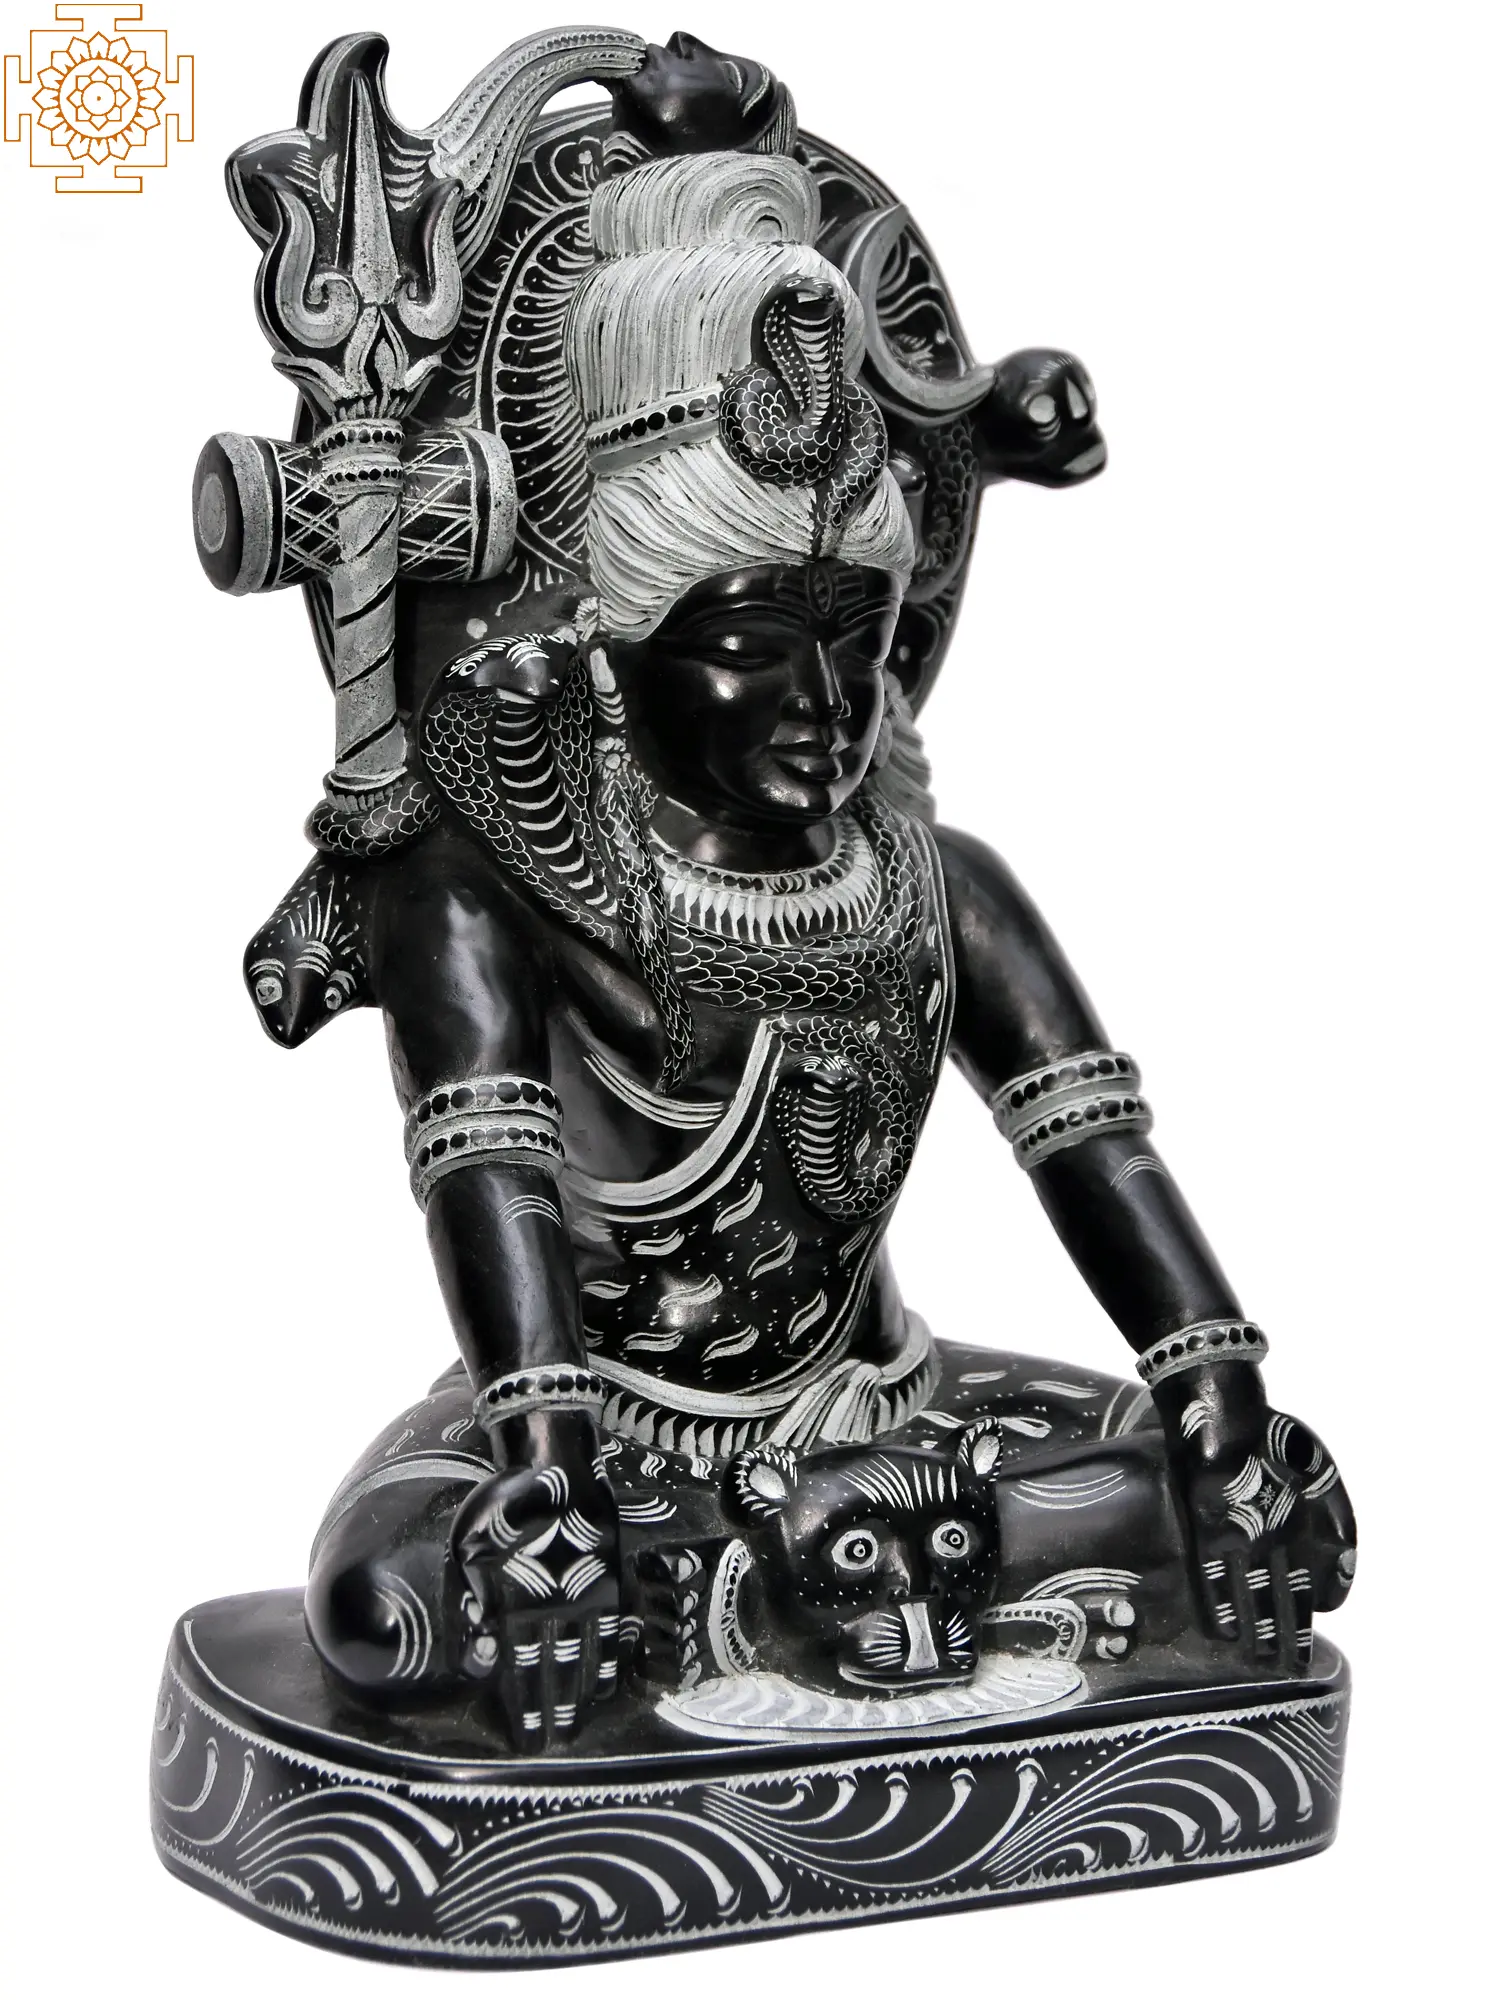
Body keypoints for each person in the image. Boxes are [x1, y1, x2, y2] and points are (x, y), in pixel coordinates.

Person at [303, 40, 1354, 1749]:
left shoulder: (939, 883)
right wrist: (549, 1480)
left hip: (899, 1414)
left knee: (1180, 1474)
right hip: (611, 1441)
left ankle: (816, 1569)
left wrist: (1219, 1387)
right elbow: (489, 1197)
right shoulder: (480, 894)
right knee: (390, 1613)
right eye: (749, 647)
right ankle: (825, 1565)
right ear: (614, 646)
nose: (826, 705)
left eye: (858, 640)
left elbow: (1098, 1152)